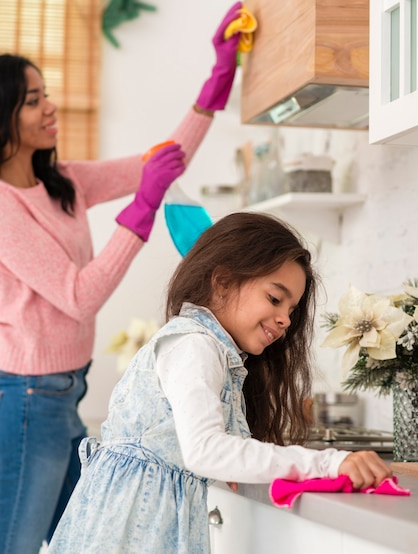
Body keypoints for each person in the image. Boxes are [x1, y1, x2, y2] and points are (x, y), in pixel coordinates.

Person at [0, 0, 243, 554]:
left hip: (63, 394)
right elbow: (78, 297)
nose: (50, 107)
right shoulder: (3, 205)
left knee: (87, 540)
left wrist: (217, 79)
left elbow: (164, 158)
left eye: (47, 93)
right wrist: (144, 205)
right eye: (33, 100)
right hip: (28, 399)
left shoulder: (62, 181)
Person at [47, 212, 392, 554]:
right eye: (275, 298)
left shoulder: (213, 352)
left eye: (292, 308)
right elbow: (205, 450)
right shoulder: (194, 345)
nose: (285, 319)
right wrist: (327, 462)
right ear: (222, 282)